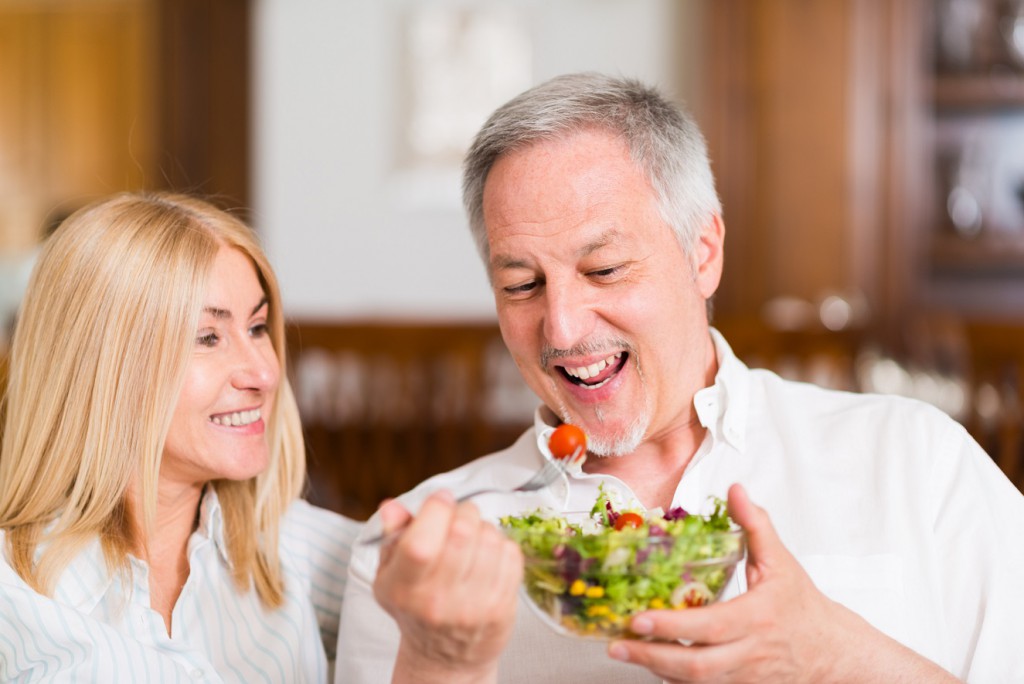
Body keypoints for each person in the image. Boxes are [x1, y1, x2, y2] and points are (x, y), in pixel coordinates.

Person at [338, 72, 1024, 683]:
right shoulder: (412, 561)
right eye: (522, 284)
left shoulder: (917, 463)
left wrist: (833, 656)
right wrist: (439, 664)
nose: (564, 328)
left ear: (703, 254)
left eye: (604, 270)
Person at [0, 191, 520, 682]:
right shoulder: (15, 590)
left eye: (257, 328)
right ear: (100, 366)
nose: (264, 373)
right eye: (208, 337)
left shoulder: (309, 555)